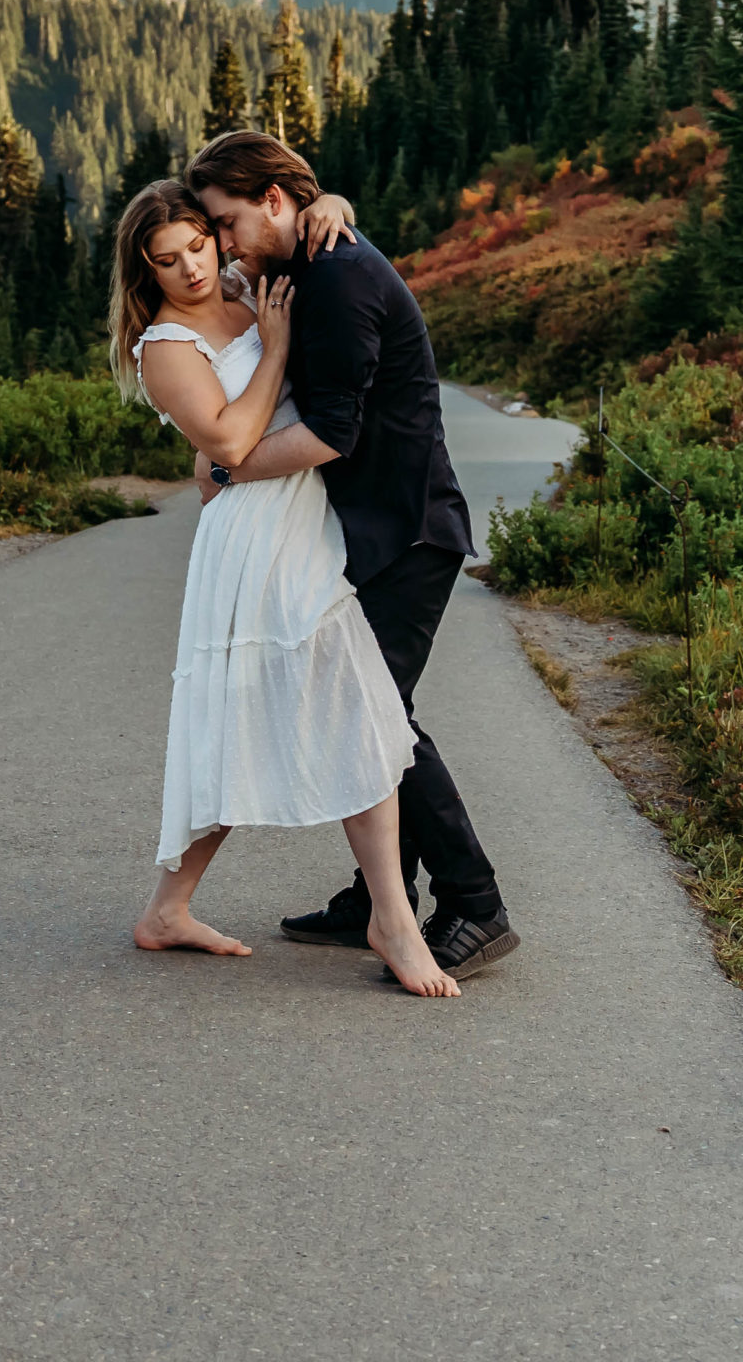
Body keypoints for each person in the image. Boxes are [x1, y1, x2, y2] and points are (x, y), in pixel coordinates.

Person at [110, 179, 460, 998]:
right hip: (256, 539)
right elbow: (229, 440)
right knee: (356, 708)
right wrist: (273, 350)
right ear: (146, 272)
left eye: (199, 244)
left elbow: (299, 220)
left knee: (301, 714)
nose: (192, 267)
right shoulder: (164, 346)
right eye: (168, 261)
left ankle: (171, 910)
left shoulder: (243, 287)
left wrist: (336, 202)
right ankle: (393, 921)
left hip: (308, 520)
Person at [187, 131, 517, 982]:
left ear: (272, 200)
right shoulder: (308, 252)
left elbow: (332, 433)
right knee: (368, 714)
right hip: (375, 531)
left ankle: (475, 905)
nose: (224, 246)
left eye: (227, 225)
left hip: (407, 533)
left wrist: (229, 467)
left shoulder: (335, 276)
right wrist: (307, 218)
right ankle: (381, 897)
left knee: (379, 721)